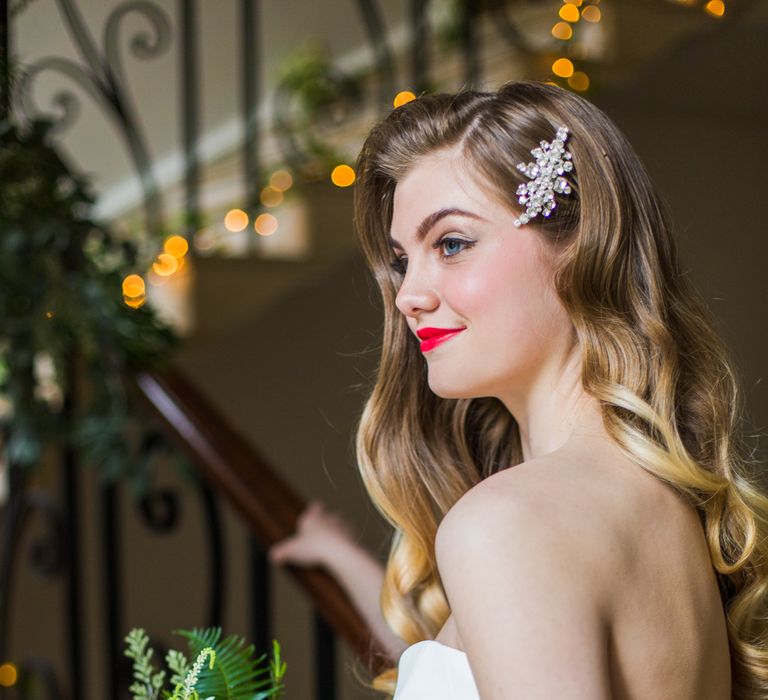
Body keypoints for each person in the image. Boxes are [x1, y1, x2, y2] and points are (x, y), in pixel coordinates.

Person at [270, 80, 768, 699]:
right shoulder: (662, 509)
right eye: (403, 259)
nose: (407, 296)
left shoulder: (508, 525)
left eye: (451, 244)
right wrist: (343, 559)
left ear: (581, 246)